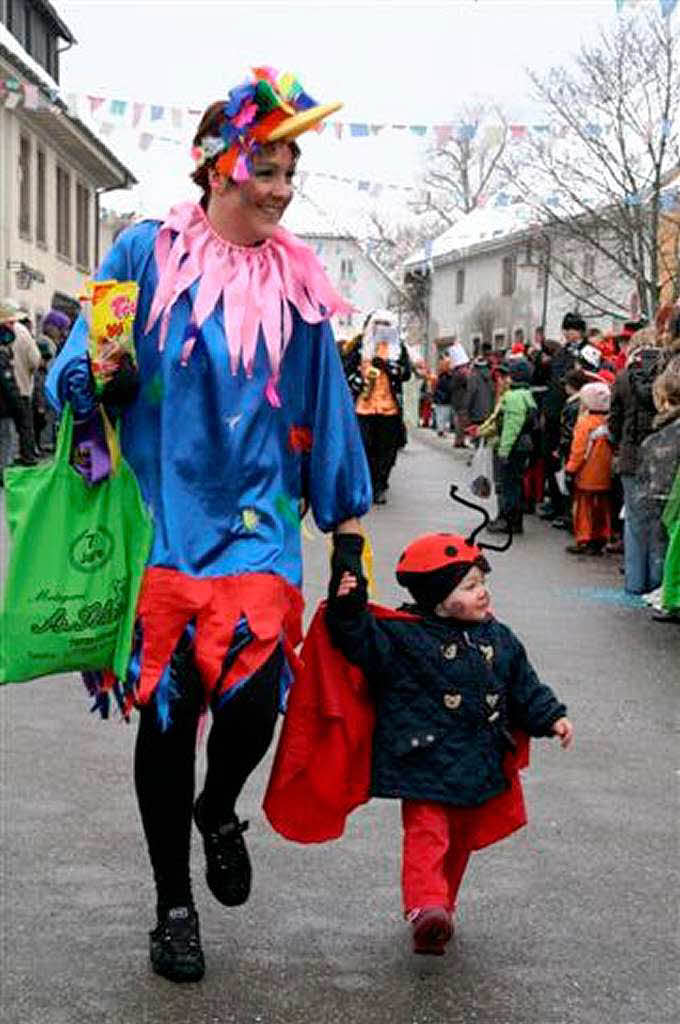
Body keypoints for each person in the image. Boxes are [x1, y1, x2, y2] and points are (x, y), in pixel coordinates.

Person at [47, 66, 372, 984]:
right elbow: (83, 356)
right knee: (167, 716)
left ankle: (219, 807)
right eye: (264, 168)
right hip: (163, 523)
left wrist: (347, 533)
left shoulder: (299, 279)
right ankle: (173, 906)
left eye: (287, 172)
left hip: (260, 527)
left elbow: (327, 406)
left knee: (252, 703)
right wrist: (90, 379)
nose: (279, 189)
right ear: (218, 165)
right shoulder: (143, 254)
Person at [324, 527, 573, 955]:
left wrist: (551, 717)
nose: (483, 593)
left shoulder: (500, 639)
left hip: (480, 759)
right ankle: (425, 906)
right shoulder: (404, 637)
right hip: (424, 758)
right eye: (471, 586)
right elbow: (359, 640)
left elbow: (523, 686)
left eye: (483, 583)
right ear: (438, 598)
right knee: (427, 833)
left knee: (459, 842)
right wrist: (349, 605)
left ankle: (442, 908)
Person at [608, 328, 663, 593]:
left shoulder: (623, 378)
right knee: (658, 521)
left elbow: (614, 421)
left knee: (633, 519)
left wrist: (618, 444)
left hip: (630, 455)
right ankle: (657, 582)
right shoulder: (667, 375)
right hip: (662, 456)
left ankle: (634, 581)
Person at [344, 309, 411, 505]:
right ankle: (365, 484)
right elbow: (345, 369)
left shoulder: (398, 349)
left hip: (389, 409)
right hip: (363, 407)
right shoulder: (359, 346)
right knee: (364, 447)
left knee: (386, 451)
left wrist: (389, 368)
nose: (382, 329)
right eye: (378, 324)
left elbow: (406, 373)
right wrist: (355, 380)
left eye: (386, 325)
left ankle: (380, 484)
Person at [634, 356, 680, 608]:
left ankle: (670, 594)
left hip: (670, 495)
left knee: (670, 545)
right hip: (670, 493)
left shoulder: (669, 431)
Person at [480, 360, 537, 536]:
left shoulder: (513, 397)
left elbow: (512, 426)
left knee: (507, 485)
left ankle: (508, 521)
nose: (504, 379)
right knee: (515, 483)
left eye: (507, 375)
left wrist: (504, 451)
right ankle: (513, 520)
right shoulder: (527, 394)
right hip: (524, 444)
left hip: (514, 446)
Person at [564, 382, 614, 555]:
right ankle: (601, 536)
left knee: (584, 508)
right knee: (602, 507)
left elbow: (578, 450)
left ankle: (585, 538)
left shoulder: (585, 423)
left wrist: (570, 469)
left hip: (587, 473)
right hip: (606, 473)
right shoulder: (609, 422)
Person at [0, 305, 25, 482]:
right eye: (11, 323)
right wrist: (19, 408)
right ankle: (4, 474)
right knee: (6, 441)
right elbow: (7, 383)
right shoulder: (1, 353)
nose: (13, 327)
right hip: (3, 408)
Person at [432, 352, 453, 436]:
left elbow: (435, 386)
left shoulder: (439, 376)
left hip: (440, 396)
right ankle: (442, 429)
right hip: (445, 397)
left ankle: (441, 429)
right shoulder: (447, 377)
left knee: (441, 413)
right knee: (445, 414)